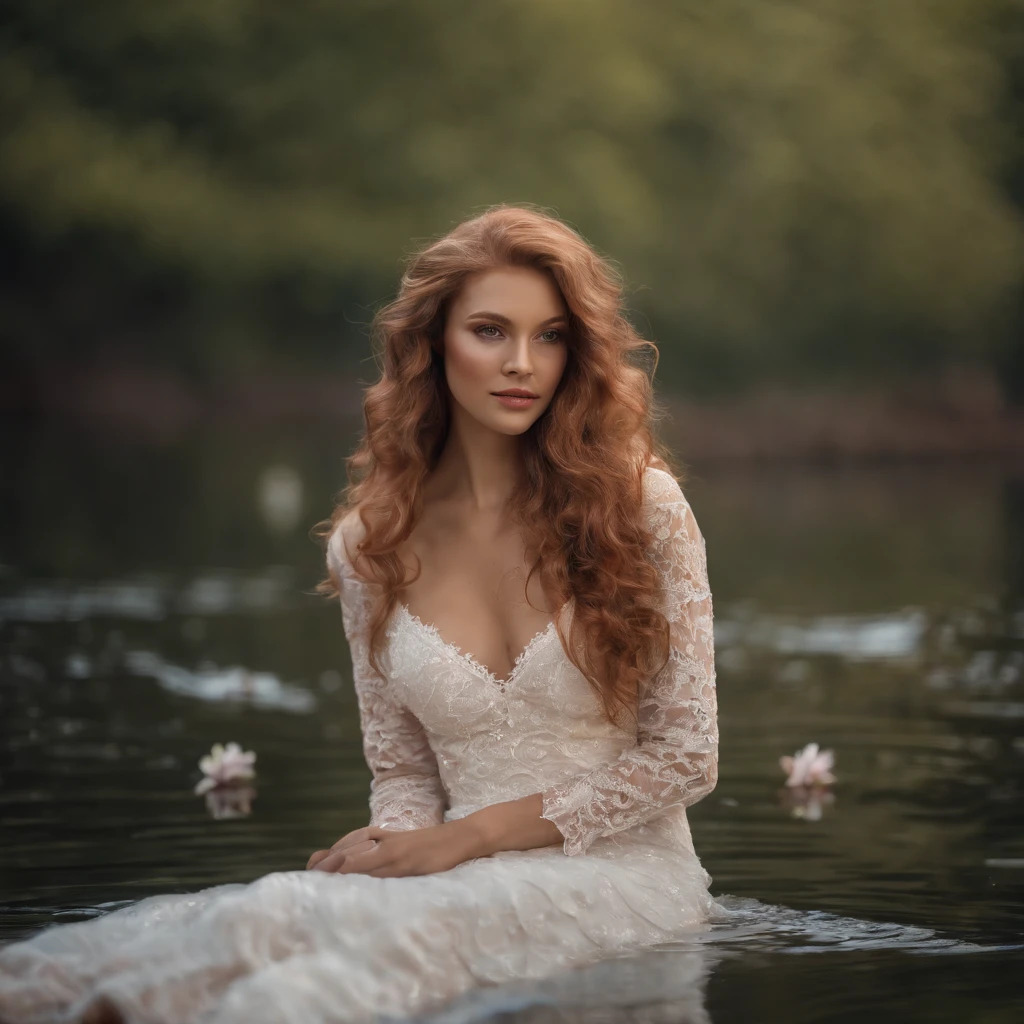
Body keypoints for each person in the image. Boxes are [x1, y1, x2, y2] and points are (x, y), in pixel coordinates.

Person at [0, 204, 720, 1024]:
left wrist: (464, 838)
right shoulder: (367, 549)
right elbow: (407, 774)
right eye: (490, 331)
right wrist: (389, 849)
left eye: (551, 336)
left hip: (624, 878)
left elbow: (687, 758)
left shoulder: (641, 507)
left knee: (329, 975)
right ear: (431, 343)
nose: (523, 363)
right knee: (271, 911)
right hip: (456, 874)